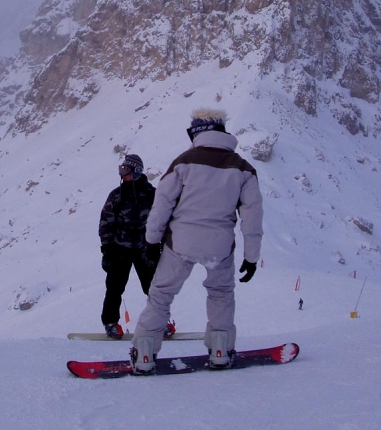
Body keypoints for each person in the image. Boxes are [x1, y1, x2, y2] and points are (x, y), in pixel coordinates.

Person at [129, 108, 264, 374]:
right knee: (221, 294)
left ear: (198, 132)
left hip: (180, 243)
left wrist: (152, 240)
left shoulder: (183, 162)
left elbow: (162, 204)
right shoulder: (243, 168)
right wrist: (251, 257)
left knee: (161, 296)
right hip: (220, 246)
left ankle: (144, 354)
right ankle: (220, 351)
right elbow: (252, 217)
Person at [99, 154, 175, 340]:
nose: (122, 175)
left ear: (136, 172)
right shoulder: (117, 195)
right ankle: (110, 323)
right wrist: (107, 247)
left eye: (126, 171)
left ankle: (161, 323)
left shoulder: (152, 195)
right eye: (121, 171)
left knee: (153, 288)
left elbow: (163, 221)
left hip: (146, 249)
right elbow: (106, 221)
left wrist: (163, 245)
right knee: (114, 287)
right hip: (119, 249)